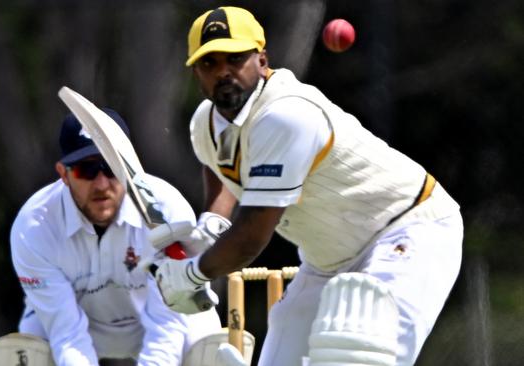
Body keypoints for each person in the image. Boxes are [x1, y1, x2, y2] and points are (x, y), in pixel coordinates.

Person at [150, 6, 463, 366]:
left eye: (235, 58)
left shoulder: (285, 116)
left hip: (408, 231)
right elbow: (219, 168)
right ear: (195, 73)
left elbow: (251, 237)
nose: (223, 71)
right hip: (327, 260)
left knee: (365, 355)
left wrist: (193, 273)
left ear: (262, 58)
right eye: (210, 63)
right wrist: (211, 225)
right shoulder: (204, 123)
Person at [9, 111, 221, 366]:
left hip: (157, 320)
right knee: (23, 351)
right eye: (85, 170)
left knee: (209, 347)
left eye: (110, 167)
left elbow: (167, 325)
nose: (101, 184)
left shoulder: (166, 209)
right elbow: (66, 334)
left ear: (128, 167)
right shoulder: (34, 226)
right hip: (80, 325)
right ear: (63, 174)